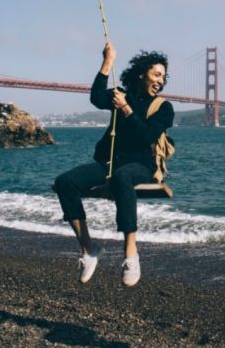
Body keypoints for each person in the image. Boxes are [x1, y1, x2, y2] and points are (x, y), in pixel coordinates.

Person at [53, 42, 174, 286]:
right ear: (142, 75)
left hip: (141, 165)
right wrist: (107, 62)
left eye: (163, 76)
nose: (160, 80)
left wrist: (126, 109)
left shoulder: (164, 108)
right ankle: (89, 249)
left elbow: (146, 136)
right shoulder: (122, 94)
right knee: (64, 183)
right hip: (109, 162)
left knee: (122, 177)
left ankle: (131, 255)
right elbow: (97, 98)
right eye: (156, 74)